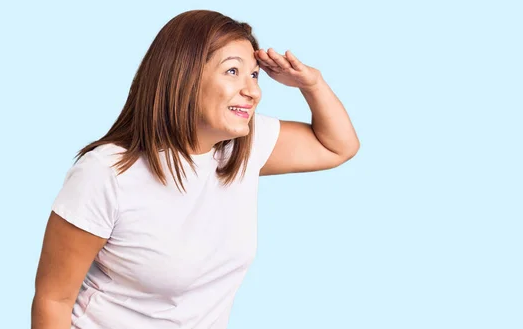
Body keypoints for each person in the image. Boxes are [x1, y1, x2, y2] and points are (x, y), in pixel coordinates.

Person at [31, 9, 359, 329]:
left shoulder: (242, 147)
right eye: (233, 71)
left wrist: (312, 84)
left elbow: (338, 146)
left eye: (254, 75)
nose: (253, 91)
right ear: (183, 75)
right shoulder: (107, 173)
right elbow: (53, 300)